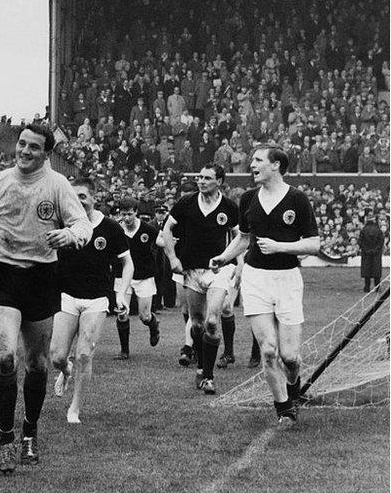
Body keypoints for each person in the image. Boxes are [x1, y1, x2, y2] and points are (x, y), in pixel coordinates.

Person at [0, 124, 92, 474]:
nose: (24, 151)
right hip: (2, 275)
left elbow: (83, 225)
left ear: (46, 152)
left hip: (41, 276)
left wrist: (69, 235)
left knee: (37, 363)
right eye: (22, 144)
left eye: (33, 147)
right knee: (6, 357)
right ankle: (6, 436)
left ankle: (30, 433)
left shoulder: (57, 186)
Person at [211, 145, 320, 424]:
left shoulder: (297, 199)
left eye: (258, 160)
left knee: (290, 356)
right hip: (256, 278)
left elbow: (313, 244)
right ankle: (284, 409)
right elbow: (244, 238)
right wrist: (223, 258)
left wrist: (280, 247)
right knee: (269, 351)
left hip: (287, 280)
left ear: (276, 165)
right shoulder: (247, 199)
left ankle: (294, 386)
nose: (252, 165)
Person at [51, 178, 132, 424]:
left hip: (96, 299)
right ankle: (66, 370)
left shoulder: (110, 228)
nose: (78, 201)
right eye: (73, 197)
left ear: (93, 198)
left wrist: (120, 293)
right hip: (66, 296)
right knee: (57, 356)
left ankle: (74, 408)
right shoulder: (63, 224)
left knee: (85, 354)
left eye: (82, 196)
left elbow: (127, 263)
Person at [162, 163, 239, 395]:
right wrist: (173, 258)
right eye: (200, 177)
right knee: (196, 323)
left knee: (212, 322)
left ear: (220, 182)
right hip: (192, 270)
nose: (201, 181)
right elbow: (167, 230)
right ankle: (201, 364)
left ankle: (208, 376)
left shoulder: (229, 207)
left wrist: (235, 263)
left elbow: (239, 237)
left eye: (207, 178)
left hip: (218, 270)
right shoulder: (186, 203)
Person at [113, 197, 162, 359]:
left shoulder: (147, 228)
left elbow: (162, 239)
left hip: (144, 276)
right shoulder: (116, 229)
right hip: (122, 276)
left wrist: (171, 243)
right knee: (122, 313)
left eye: (130, 214)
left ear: (136, 212)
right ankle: (124, 351)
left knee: (144, 316)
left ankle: (153, 324)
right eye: (123, 214)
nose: (127, 218)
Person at [359, 209, 385, 292]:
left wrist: (366, 250)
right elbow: (381, 242)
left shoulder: (363, 230)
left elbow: (360, 242)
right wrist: (375, 250)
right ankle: (377, 287)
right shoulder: (379, 230)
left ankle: (367, 287)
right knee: (376, 270)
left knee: (367, 271)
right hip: (376, 254)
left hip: (366, 253)